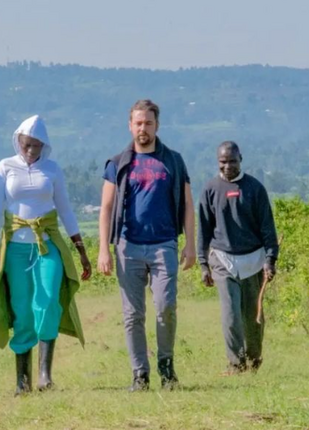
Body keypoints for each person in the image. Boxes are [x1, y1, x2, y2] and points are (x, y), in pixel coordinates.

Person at [0, 115, 92, 395]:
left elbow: (65, 210)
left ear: (45, 145)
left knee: (45, 303)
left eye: (36, 146)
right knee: (22, 311)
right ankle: (22, 381)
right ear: (18, 141)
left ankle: (45, 375)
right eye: (26, 144)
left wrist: (80, 250)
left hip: (47, 245)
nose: (31, 151)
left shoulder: (52, 170)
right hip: (16, 248)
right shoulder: (5, 167)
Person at [97, 99, 196, 391]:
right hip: (128, 246)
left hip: (164, 244)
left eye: (148, 123)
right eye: (138, 123)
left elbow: (188, 204)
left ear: (157, 125)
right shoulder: (117, 164)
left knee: (166, 307)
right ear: (130, 125)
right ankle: (140, 374)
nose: (143, 128)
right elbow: (105, 208)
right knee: (133, 315)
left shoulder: (174, 161)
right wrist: (104, 248)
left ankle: (167, 368)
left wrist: (191, 245)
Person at [197, 141, 279, 375]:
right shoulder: (210, 189)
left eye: (232, 161)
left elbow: (267, 228)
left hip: (253, 260)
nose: (228, 166)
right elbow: (203, 230)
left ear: (240, 159)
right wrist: (204, 266)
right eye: (223, 162)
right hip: (222, 259)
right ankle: (235, 363)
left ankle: (254, 360)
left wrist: (270, 260)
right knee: (231, 314)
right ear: (217, 162)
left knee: (252, 316)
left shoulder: (255, 188)